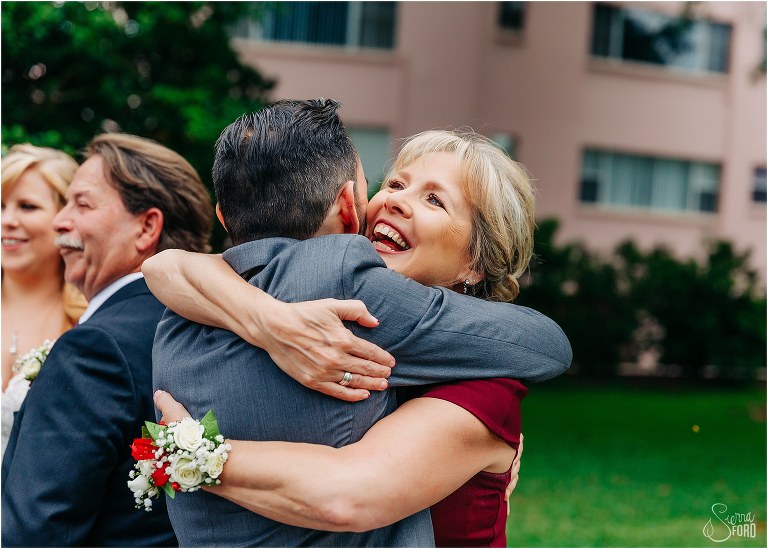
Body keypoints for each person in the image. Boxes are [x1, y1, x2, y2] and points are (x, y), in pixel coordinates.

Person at [147, 99, 571, 547]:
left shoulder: (485, 389)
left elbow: (347, 495)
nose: (395, 202)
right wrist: (270, 321)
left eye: (433, 199)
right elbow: (168, 268)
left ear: (475, 262)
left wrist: (187, 452)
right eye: (395, 183)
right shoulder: (323, 298)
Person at [1, 133, 213, 547]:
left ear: (147, 226)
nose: (61, 223)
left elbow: (36, 532)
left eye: (81, 205)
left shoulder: (96, 348)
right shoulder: (203, 330)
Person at [1, 145, 87, 454]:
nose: (8, 220)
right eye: (0, 205)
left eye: (26, 206)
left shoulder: (88, 321)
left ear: (65, 217)